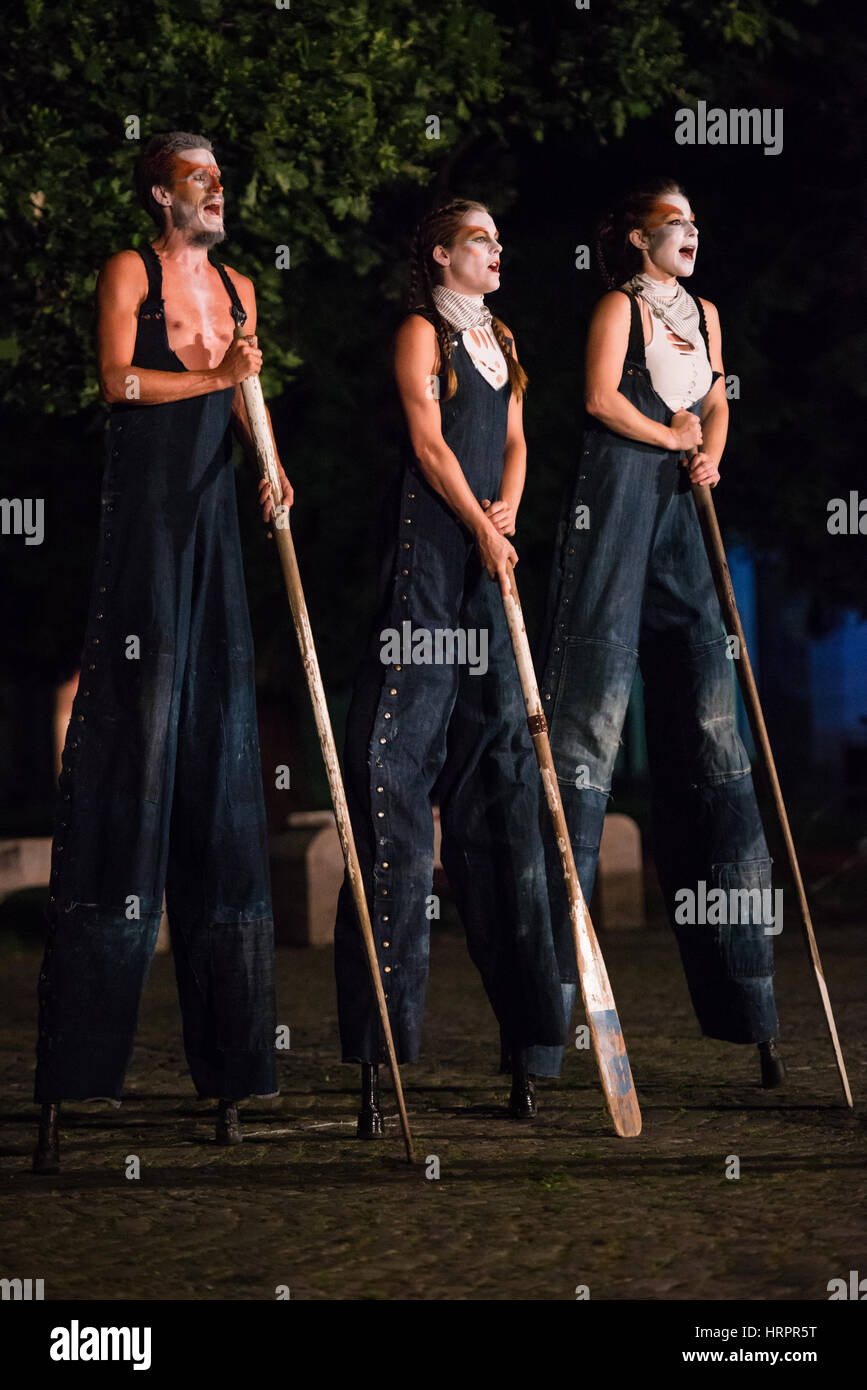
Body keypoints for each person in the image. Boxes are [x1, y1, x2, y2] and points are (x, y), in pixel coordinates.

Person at [32, 131, 293, 1172]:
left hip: (217, 526)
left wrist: (268, 467)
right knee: (130, 764)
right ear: (161, 191)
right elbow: (119, 383)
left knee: (223, 776)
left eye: (221, 180)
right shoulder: (129, 272)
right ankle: (78, 1075)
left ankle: (232, 1070)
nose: (216, 192)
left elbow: (246, 388)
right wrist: (218, 379)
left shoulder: (238, 288)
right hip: (143, 533)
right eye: (199, 178)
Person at [531, 178, 785, 1087]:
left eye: (694, 219)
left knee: (715, 735)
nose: (691, 232)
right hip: (616, 504)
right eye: (674, 221)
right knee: (586, 735)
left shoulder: (705, 313)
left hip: (683, 506)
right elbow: (600, 402)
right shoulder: (617, 307)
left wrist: (710, 443)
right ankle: (545, 1024)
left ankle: (746, 1002)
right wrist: (674, 439)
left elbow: (713, 398)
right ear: (640, 239)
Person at [333, 198, 566, 1135]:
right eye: (480, 240)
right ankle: (379, 1052)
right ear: (439, 254)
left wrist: (506, 513)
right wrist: (475, 523)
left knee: (505, 800)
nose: (497, 250)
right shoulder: (419, 332)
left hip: (488, 574)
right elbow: (431, 445)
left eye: (500, 240)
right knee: (394, 802)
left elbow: (513, 440)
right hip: (427, 581)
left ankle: (532, 1048)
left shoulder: (503, 339)